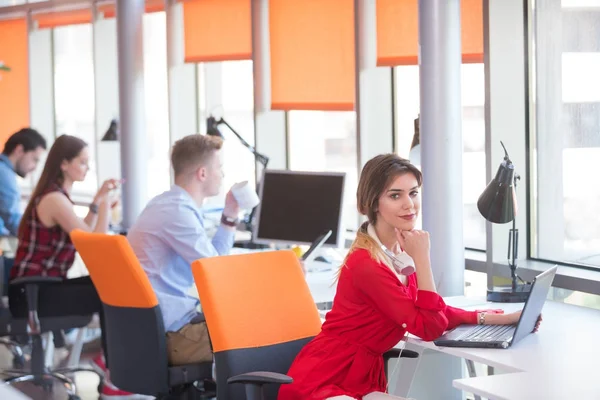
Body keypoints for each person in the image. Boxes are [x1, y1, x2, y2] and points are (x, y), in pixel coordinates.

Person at [278, 154, 542, 400]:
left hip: (359, 378)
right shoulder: (367, 264)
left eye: (413, 193)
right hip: (325, 382)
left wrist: (494, 318)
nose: (409, 204)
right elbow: (428, 327)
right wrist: (423, 260)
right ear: (373, 203)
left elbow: (431, 311)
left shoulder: (397, 251)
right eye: (395, 195)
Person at [7, 134, 145, 400]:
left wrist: (98, 203)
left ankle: (108, 362)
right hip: (32, 293)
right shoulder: (54, 200)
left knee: (111, 285)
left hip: (40, 288)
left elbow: (88, 231)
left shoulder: (58, 198)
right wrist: (103, 201)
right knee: (110, 288)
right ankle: (111, 366)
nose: (86, 168)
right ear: (64, 164)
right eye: (82, 162)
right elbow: (94, 241)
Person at [127, 134, 240, 369]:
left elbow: (212, 262)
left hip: (156, 327)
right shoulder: (177, 212)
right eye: (219, 168)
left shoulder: (166, 203)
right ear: (202, 173)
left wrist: (230, 214)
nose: (223, 175)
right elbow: (216, 272)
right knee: (263, 334)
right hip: (174, 334)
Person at [0, 128, 47, 237]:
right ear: (19, 150)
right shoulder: (4, 174)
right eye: (35, 159)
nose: (34, 167)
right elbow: (13, 221)